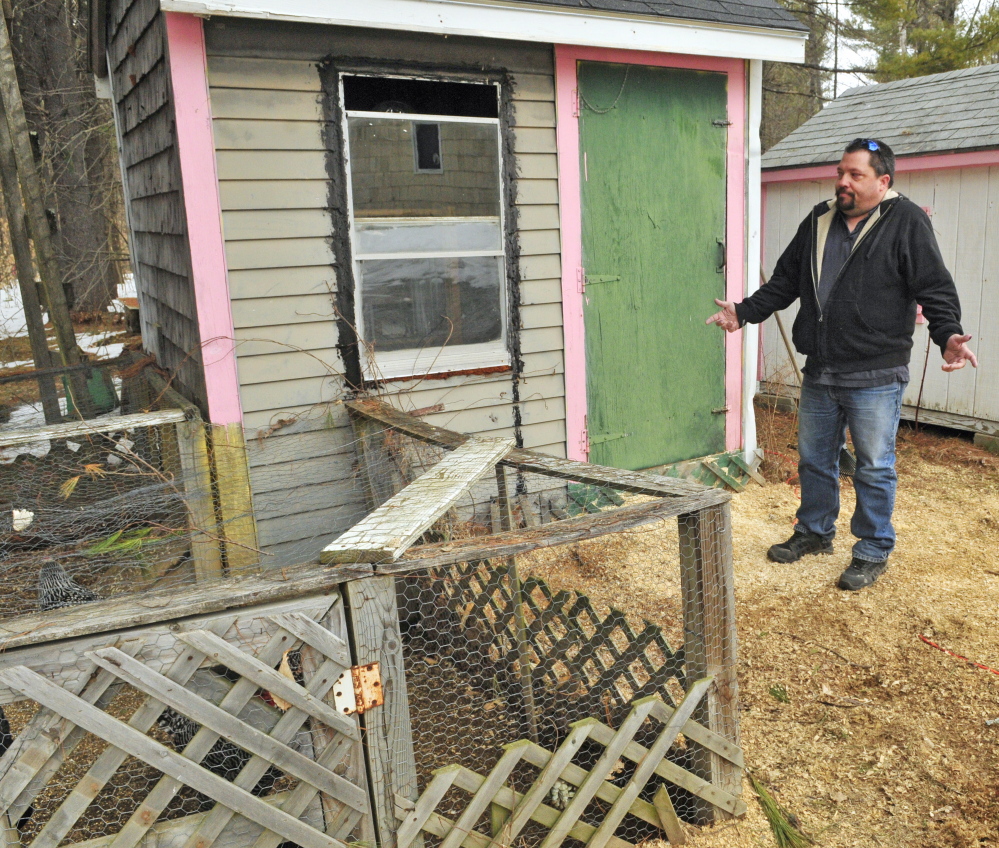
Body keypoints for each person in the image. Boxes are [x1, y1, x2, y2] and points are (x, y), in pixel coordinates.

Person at [707, 138, 977, 591]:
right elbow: (785, 282)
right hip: (822, 369)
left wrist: (947, 335)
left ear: (883, 181)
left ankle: (872, 549)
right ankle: (814, 532)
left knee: (873, 467)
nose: (843, 182)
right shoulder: (819, 219)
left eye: (855, 175)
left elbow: (934, 287)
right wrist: (744, 311)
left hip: (876, 373)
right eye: (840, 172)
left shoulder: (905, 221)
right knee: (815, 460)